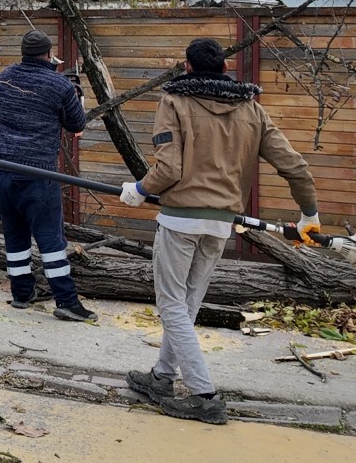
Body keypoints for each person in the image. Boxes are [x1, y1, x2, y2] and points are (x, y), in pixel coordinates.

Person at [119, 37, 318, 424]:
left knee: (172, 304)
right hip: (221, 223)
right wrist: (309, 214)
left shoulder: (174, 101)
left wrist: (138, 191)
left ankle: (203, 394)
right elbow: (295, 167)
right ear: (225, 69)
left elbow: (170, 169)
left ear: (187, 68)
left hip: (180, 219)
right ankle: (161, 377)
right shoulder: (252, 109)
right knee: (187, 304)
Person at [0, 29, 94, 321]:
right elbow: (76, 124)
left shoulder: (6, 77)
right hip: (37, 171)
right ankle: (67, 301)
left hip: (4, 169)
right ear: (49, 55)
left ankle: (22, 293)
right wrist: (76, 96)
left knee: (15, 233)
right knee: (51, 240)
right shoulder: (59, 85)